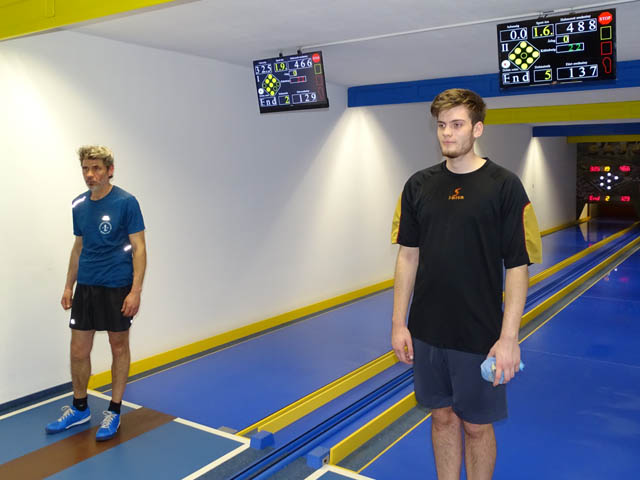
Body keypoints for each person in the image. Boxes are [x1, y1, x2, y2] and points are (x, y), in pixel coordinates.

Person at [391, 89, 542, 479]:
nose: (447, 133)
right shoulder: (417, 186)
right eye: (441, 125)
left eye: (456, 124)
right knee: (441, 418)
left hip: (478, 332)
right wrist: (398, 323)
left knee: (476, 427)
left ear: (477, 129)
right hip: (427, 331)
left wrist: (509, 337)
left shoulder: (504, 186)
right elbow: (408, 256)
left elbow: (517, 266)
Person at [45, 145, 146, 441]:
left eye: (96, 168)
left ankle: (114, 411)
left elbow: (139, 248)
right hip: (86, 286)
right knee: (78, 350)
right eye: (86, 169)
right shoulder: (79, 204)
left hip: (117, 285)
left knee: (118, 347)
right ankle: (80, 408)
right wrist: (69, 285)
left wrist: (135, 291)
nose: (90, 175)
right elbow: (78, 247)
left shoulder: (126, 202)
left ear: (109, 170)